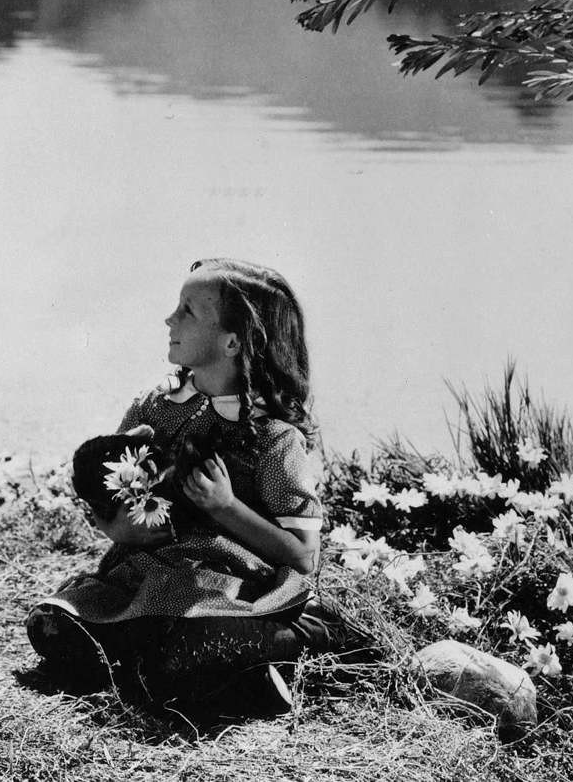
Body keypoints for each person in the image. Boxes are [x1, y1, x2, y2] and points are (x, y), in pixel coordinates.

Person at [27, 258, 350, 717]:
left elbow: (303, 556)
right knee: (51, 624)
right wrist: (118, 523)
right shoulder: (153, 407)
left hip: (231, 593)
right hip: (148, 580)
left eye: (188, 311)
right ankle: (215, 676)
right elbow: (110, 493)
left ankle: (303, 640)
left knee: (191, 644)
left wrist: (226, 507)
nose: (169, 319)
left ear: (232, 342)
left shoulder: (274, 438)